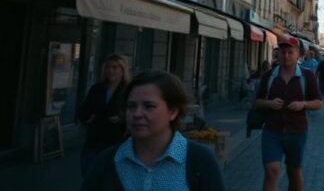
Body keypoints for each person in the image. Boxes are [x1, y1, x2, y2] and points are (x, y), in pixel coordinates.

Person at [81, 69, 224, 191]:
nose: (137, 114)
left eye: (149, 106)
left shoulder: (199, 161)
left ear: (173, 111)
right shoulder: (107, 162)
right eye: (131, 106)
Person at [254, 36, 321, 191]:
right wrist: (268, 103)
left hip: (296, 132)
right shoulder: (269, 76)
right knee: (272, 171)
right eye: (283, 52)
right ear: (278, 54)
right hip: (272, 131)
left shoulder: (307, 76)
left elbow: (318, 103)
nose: (286, 56)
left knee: (294, 172)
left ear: (298, 54)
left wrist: (303, 104)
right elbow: (256, 102)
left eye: (290, 52)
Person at [78, 54, 130, 177]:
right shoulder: (97, 88)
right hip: (94, 140)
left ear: (122, 70)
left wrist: (122, 118)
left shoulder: (128, 90)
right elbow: (83, 112)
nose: (110, 70)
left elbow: (134, 113)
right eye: (107, 67)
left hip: (116, 142)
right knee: (89, 176)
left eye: (114, 67)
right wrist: (89, 117)